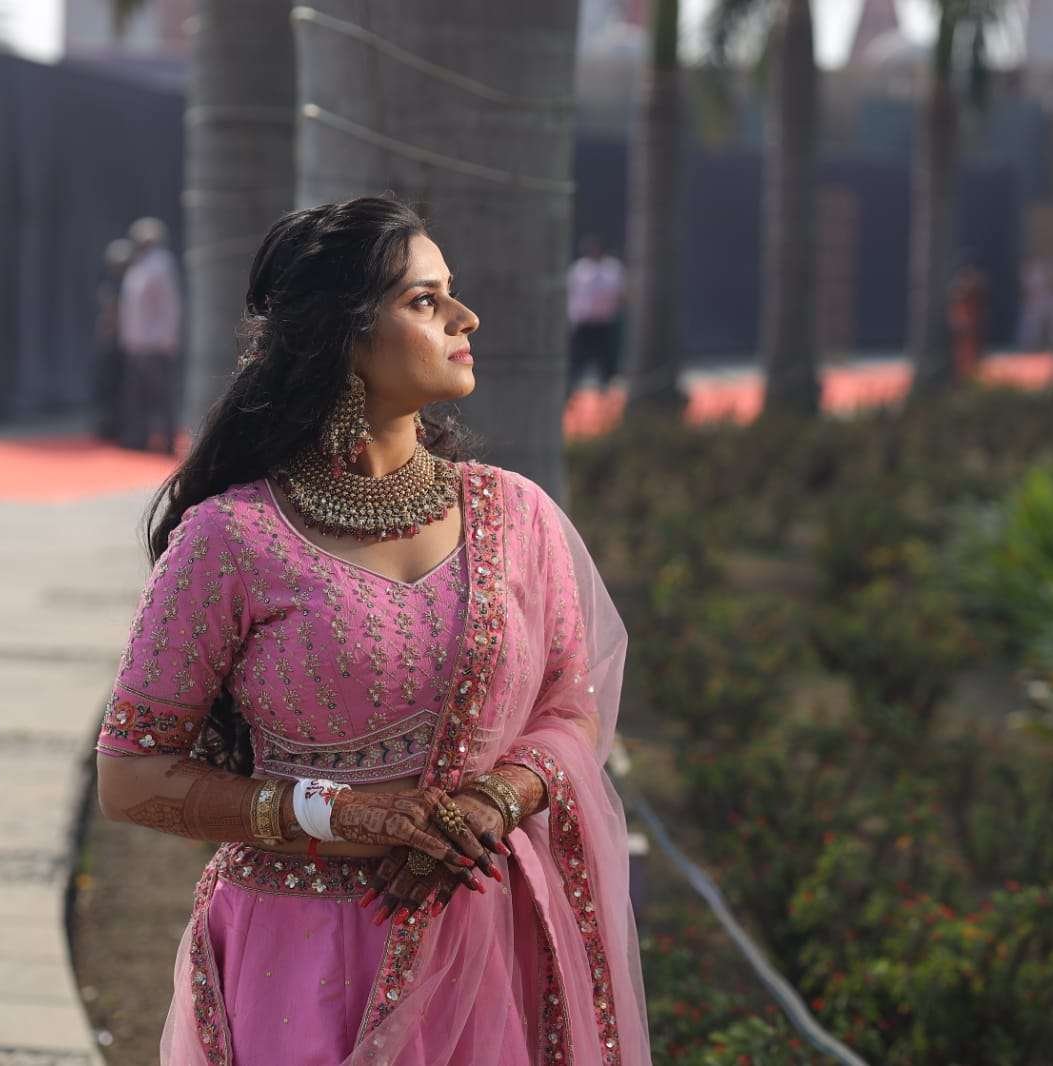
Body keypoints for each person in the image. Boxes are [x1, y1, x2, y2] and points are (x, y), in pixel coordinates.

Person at [94, 197, 650, 1065]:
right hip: (302, 952)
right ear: (344, 336)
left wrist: (489, 803)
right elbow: (130, 774)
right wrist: (337, 814)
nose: (465, 318)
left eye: (450, 292)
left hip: (487, 938)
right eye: (425, 301)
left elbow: (569, 707)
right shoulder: (231, 539)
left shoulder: (516, 515)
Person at [118, 217, 184, 454]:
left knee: (161, 395)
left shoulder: (161, 265)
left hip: (155, 343)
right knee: (138, 396)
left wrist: (168, 338)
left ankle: (167, 441)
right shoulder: (138, 265)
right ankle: (139, 438)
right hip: (137, 343)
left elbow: (169, 305)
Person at [564, 235, 625, 399]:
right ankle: (571, 390)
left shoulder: (613, 269)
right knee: (577, 360)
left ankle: (607, 393)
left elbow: (620, 294)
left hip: (604, 323)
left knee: (607, 360)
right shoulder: (578, 269)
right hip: (584, 323)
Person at [94, 237, 135, 442]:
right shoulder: (111, 285)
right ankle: (108, 426)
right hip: (112, 342)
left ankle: (120, 426)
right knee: (108, 387)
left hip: (126, 341)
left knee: (123, 388)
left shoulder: (131, 284)